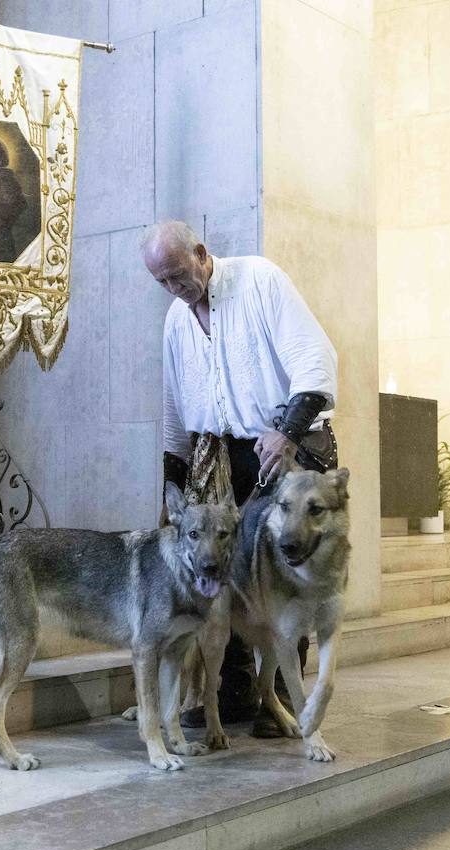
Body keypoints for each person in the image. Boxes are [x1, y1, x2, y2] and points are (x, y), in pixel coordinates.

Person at [143, 220, 339, 736]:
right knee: (218, 571)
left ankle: (283, 695)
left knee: (284, 573)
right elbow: (172, 409)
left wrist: (289, 433)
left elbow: (315, 361)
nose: (173, 288)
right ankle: (232, 688)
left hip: (278, 448)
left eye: (177, 275)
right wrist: (173, 485)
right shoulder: (176, 318)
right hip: (218, 458)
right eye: (161, 281)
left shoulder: (260, 280)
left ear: (202, 253)